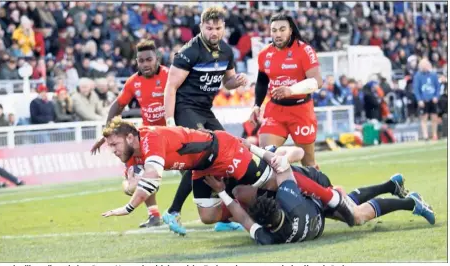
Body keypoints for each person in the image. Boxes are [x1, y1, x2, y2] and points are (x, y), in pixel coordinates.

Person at [100, 117, 355, 234]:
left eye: (114, 145)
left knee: (274, 180)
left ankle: (331, 198)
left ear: (131, 137)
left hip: (223, 151)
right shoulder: (132, 150)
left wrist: (130, 206)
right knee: (208, 215)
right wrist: (129, 186)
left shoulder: (150, 140)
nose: (112, 151)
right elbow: (132, 181)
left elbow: (152, 178)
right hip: (202, 167)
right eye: (109, 147)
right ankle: (250, 205)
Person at [204, 146, 435, 245]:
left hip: (315, 186)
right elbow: (242, 215)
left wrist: (333, 195)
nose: (237, 194)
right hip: (309, 204)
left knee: (356, 215)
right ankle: (391, 186)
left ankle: (411, 201)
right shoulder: (280, 196)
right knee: (349, 207)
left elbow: (298, 153)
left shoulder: (280, 190)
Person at [163, 6, 249, 233]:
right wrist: (170, 121)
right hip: (185, 108)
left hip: (205, 110)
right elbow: (170, 87)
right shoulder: (189, 52)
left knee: (229, 151)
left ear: (224, 28)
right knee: (202, 156)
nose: (214, 32)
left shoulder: (226, 52)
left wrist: (237, 81)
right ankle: (172, 211)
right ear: (201, 27)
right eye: (209, 28)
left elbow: (227, 83)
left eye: (218, 28)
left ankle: (224, 217)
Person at [90, 40, 169, 228]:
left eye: (149, 59)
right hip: (148, 136)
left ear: (156, 58)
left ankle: (216, 210)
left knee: (191, 172)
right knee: (135, 181)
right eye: (141, 61)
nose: (145, 64)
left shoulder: (168, 76)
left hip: (171, 133)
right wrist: (106, 134)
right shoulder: (134, 81)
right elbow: (117, 106)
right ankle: (154, 215)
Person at [250, 14, 323, 168]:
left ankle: (321, 191)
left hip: (301, 111)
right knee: (266, 159)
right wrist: (256, 105)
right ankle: (273, 191)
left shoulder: (304, 50)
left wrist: (291, 90)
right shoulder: (264, 53)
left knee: (308, 164)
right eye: (274, 30)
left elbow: (317, 82)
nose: (278, 34)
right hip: (275, 111)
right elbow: (262, 81)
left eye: (282, 29)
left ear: (290, 30)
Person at [413, 58, 441, 141]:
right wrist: (419, 100)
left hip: (433, 99)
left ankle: (434, 134)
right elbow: (416, 89)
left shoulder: (433, 75)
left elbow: (437, 87)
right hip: (423, 100)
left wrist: (436, 96)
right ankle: (425, 136)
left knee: (434, 117)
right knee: (424, 117)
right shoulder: (418, 75)